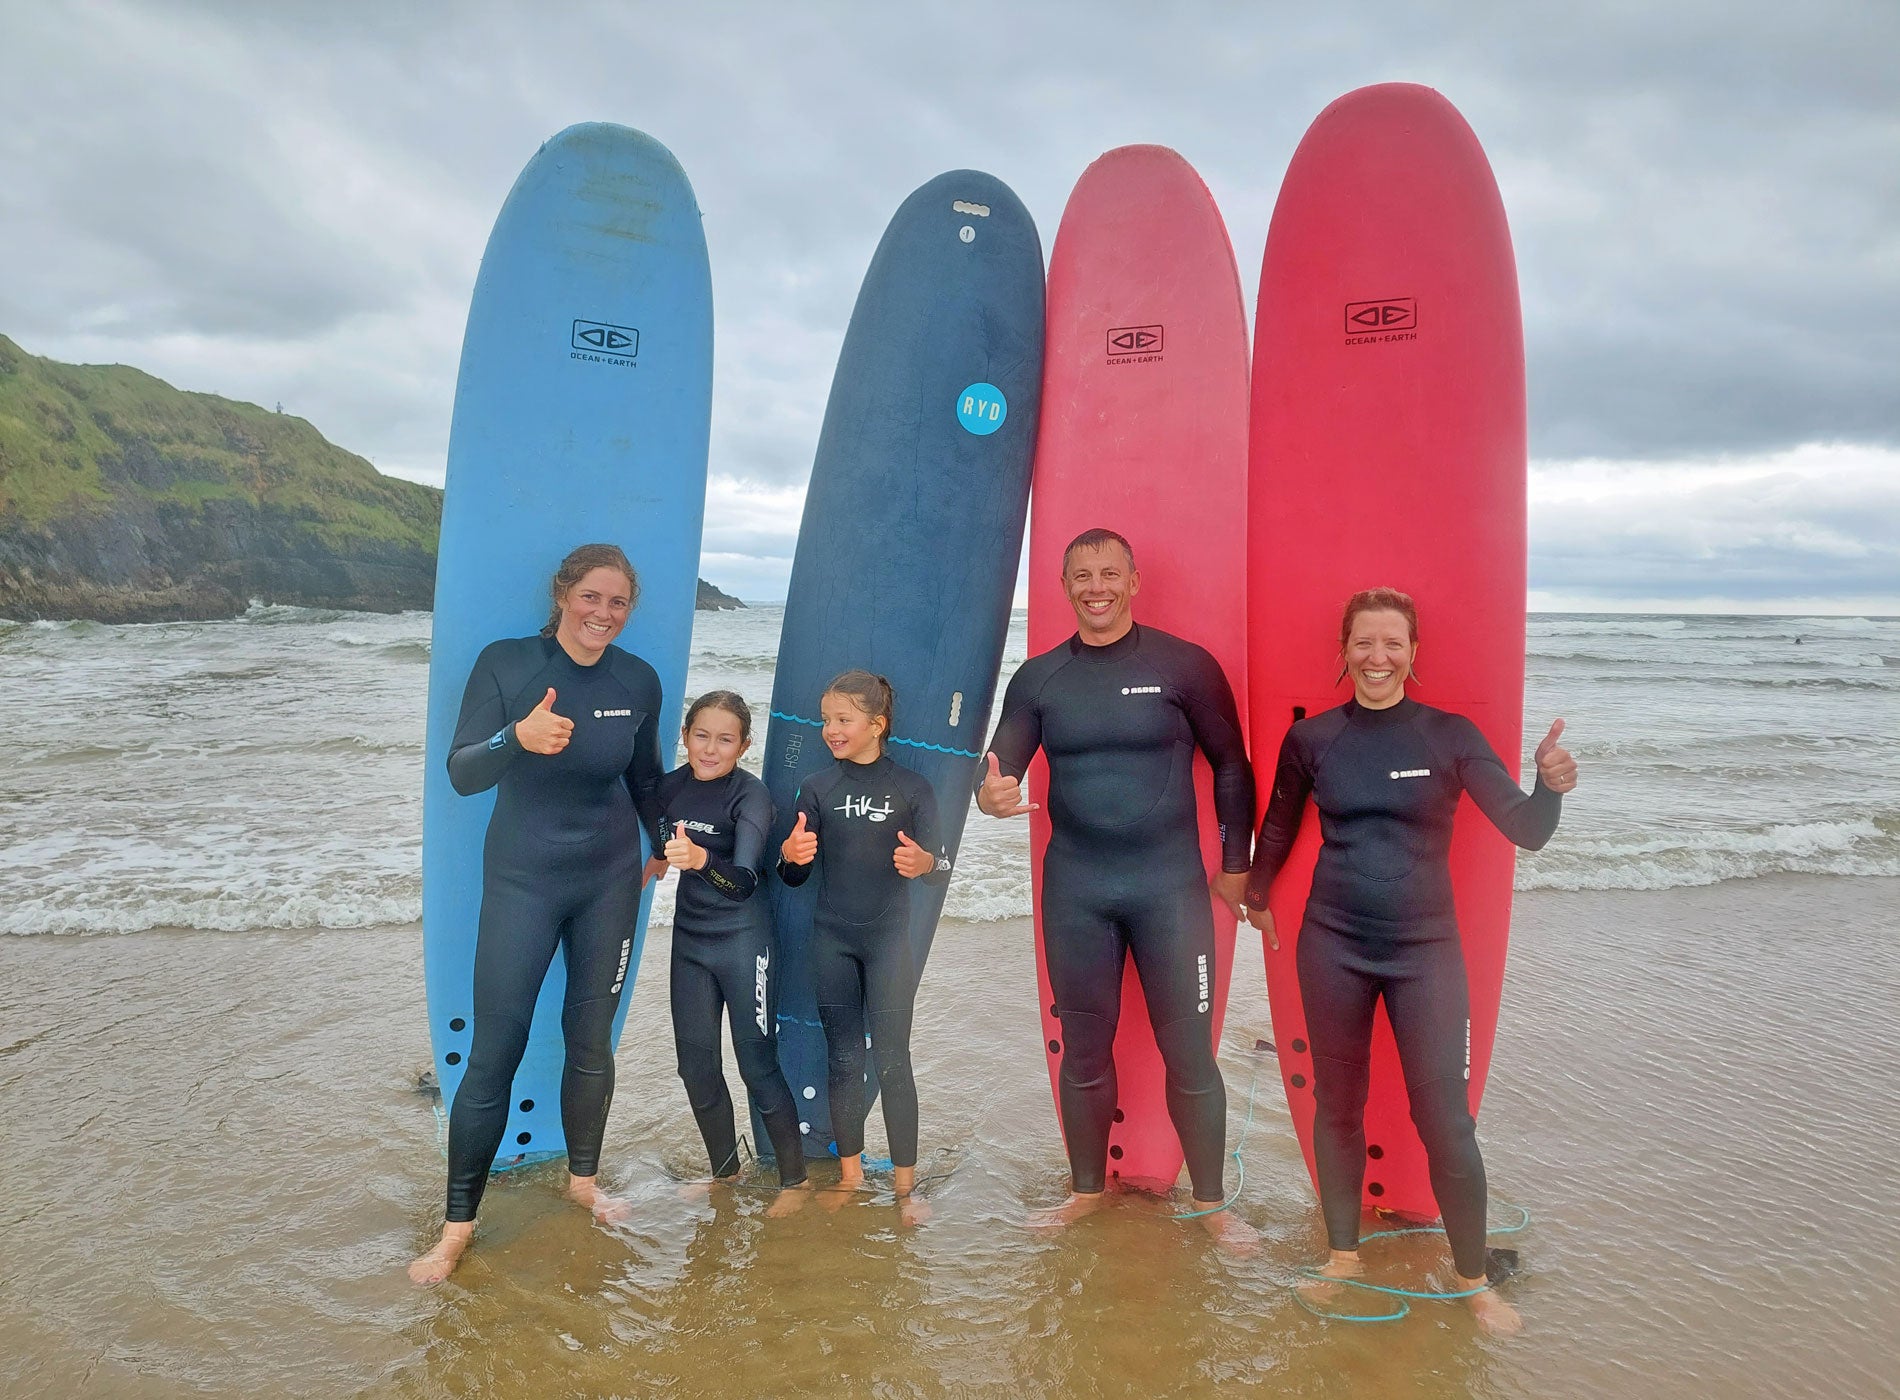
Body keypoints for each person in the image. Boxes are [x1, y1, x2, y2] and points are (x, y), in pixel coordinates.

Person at [1242, 586, 1579, 1337]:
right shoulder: (1314, 739)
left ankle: (1472, 1280)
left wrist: (1548, 787)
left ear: (1413, 653)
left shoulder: (1448, 737)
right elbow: (1279, 825)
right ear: (1344, 651)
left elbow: (1526, 830)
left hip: (1425, 951)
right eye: (1364, 642)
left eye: (1392, 642)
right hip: (1332, 944)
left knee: (1445, 1120)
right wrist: (1255, 895)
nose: (1378, 657)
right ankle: (1342, 1256)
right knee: (1338, 1106)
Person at [977, 528, 1256, 1247]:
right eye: (1082, 576)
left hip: (1170, 889)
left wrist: (1236, 864)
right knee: (1084, 1049)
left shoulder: (1185, 666)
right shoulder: (1039, 678)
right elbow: (999, 768)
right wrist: (989, 797)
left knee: (1189, 1052)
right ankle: (1085, 1192)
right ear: (1064, 586)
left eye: (1108, 573)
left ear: (1133, 581)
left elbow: (1232, 764)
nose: (1095, 587)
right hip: (1078, 889)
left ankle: (1213, 1204)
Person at [409, 543, 669, 1286]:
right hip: (523, 881)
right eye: (591, 597)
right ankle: (457, 1227)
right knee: (497, 1049)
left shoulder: (637, 680)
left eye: (618, 602)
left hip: (608, 883)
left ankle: (583, 1182)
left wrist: (666, 842)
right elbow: (462, 771)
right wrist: (515, 738)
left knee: (591, 1041)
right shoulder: (508, 664)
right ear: (562, 595)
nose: (603, 614)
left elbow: (647, 779)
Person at [777, 670, 950, 1225]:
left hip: (887, 942)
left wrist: (924, 862)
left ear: (877, 724)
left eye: (843, 719)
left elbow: (941, 867)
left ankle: (906, 1187)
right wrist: (791, 857)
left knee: (894, 1060)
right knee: (845, 1059)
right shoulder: (816, 787)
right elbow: (794, 876)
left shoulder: (913, 789)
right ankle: (851, 1176)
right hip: (832, 940)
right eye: (826, 719)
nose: (831, 729)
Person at [655, 689, 811, 1216]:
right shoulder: (670, 788)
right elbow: (654, 839)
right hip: (690, 943)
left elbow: (743, 881)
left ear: (744, 746)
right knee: (694, 1067)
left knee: (756, 1066)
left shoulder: (751, 796)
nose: (710, 748)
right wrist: (653, 859)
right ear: (684, 736)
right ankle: (726, 1172)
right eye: (701, 735)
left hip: (744, 941)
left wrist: (700, 859)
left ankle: (795, 1182)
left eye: (725, 740)